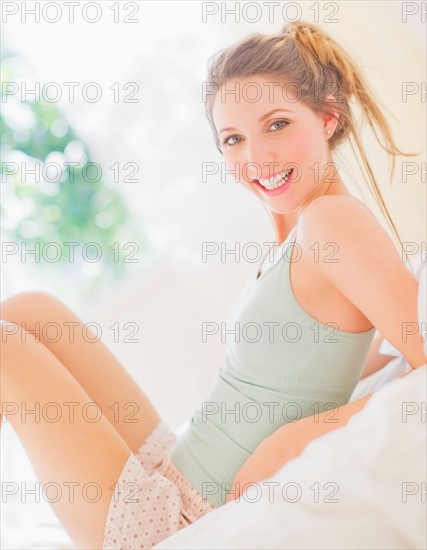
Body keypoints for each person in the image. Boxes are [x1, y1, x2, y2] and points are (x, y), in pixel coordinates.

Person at [1, 20, 425, 550]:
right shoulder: (299, 228)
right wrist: (374, 369)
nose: (256, 157)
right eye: (234, 138)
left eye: (276, 124)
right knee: (30, 309)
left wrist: (303, 436)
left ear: (327, 117)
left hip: (177, 516)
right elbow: (323, 352)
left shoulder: (330, 222)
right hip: (172, 464)